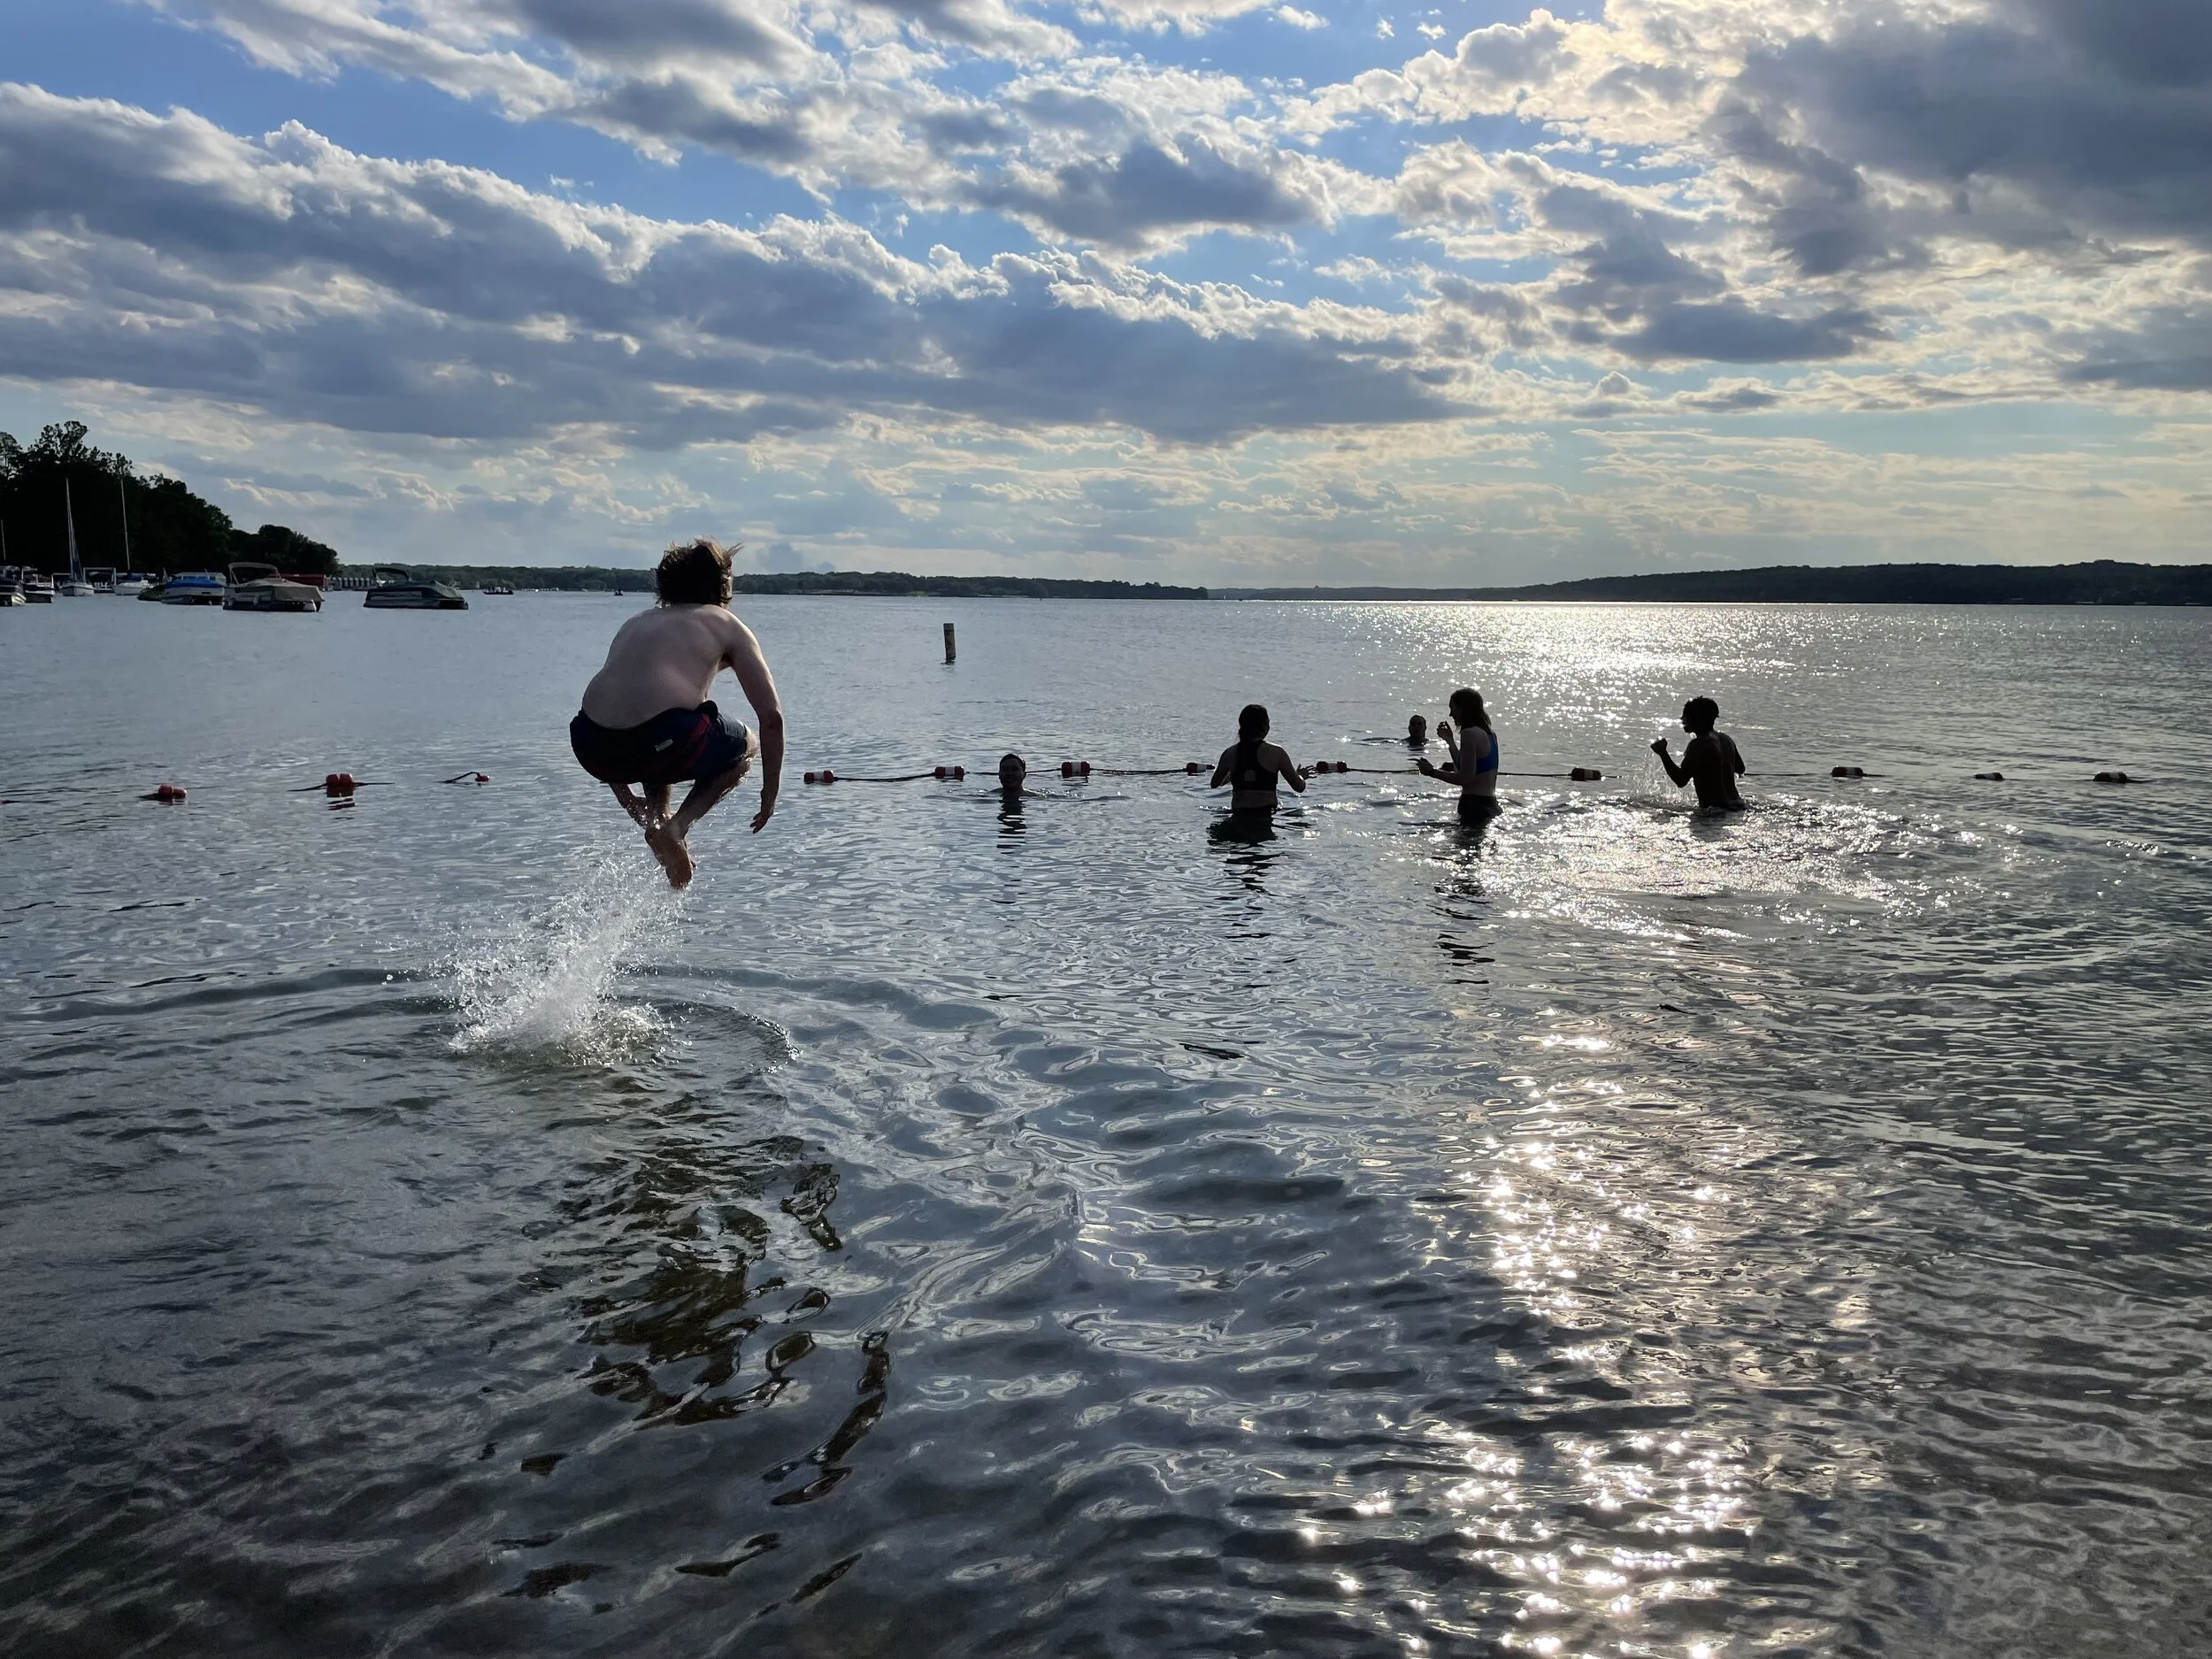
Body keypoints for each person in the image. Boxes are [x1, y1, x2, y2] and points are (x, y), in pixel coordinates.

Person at [570, 538, 785, 888]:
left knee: (659, 735)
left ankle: (656, 822)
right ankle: (676, 827)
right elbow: (771, 716)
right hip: (659, 736)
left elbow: (620, 714)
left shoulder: (636, 622)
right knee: (746, 745)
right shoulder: (726, 624)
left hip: (590, 744)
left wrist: (628, 802)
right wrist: (770, 792)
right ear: (724, 587)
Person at [1417, 687, 1500, 825]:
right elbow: (1465, 767)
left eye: (1452, 708)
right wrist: (1449, 741)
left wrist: (1432, 772)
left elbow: (1465, 778)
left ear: (1463, 709)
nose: (1450, 714)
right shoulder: (1490, 734)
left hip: (1473, 806)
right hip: (1491, 804)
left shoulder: (1468, 734)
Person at [1651, 696, 1747, 811]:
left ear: (1698, 719)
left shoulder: (1698, 744)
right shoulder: (1726, 740)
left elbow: (1681, 780)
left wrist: (1663, 753)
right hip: (1738, 805)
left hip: (1714, 812)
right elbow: (1740, 769)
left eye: (1686, 715)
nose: (1682, 718)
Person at [1210, 703, 1307, 817]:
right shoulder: (1276, 752)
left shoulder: (1229, 753)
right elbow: (1299, 787)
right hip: (1265, 817)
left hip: (1238, 817)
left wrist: (1234, 773)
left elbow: (1215, 783)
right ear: (1265, 726)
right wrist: (1301, 776)